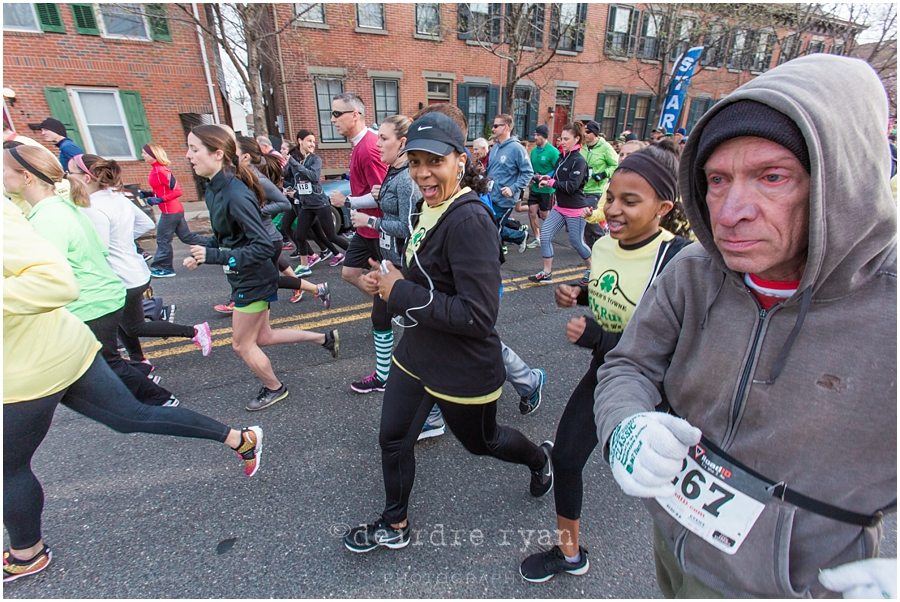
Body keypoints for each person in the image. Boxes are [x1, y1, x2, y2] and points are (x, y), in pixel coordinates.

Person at [592, 54, 896, 598]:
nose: (731, 212)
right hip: (674, 543)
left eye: (771, 177)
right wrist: (624, 426)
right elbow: (629, 363)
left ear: (841, 178)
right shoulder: (691, 271)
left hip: (797, 586)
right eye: (716, 180)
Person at [2, 197, 263, 584]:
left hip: (31, 365)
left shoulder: (35, 210)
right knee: (131, 417)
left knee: (9, 468)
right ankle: (239, 439)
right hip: (64, 345)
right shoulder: (33, 205)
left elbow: (55, 280)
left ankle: (27, 553)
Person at [342, 111, 553, 553]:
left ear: (460, 160)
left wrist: (398, 292)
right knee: (394, 438)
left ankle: (539, 457)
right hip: (418, 352)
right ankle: (394, 524)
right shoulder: (429, 205)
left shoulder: (468, 220)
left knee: (484, 442)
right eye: (415, 161)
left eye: (433, 161)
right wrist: (389, 280)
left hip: (463, 366)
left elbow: (477, 316)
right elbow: (432, 280)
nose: (422, 173)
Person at [519, 143, 691, 582]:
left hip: (665, 389)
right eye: (610, 197)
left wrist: (598, 335)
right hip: (609, 370)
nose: (612, 209)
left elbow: (673, 345)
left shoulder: (680, 261)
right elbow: (606, 283)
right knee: (569, 458)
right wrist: (579, 292)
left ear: (663, 207)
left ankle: (695, 567)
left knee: (658, 481)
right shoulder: (605, 245)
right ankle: (570, 553)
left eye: (630, 202)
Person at [5, 144, 178, 408]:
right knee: (115, 347)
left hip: (95, 297)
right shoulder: (70, 206)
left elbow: (57, 273)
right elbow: (107, 243)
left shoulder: (60, 213)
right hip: (110, 288)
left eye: (4, 170)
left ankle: (158, 395)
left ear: (27, 176)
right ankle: (143, 377)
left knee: (115, 349)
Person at [182, 125, 339, 412]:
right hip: (245, 274)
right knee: (263, 337)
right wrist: (204, 252)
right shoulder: (215, 189)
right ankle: (323, 338)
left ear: (218, 154)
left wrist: (214, 255)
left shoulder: (234, 194)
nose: (188, 156)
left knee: (242, 345)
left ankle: (275, 387)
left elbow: (263, 246)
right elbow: (225, 235)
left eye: (194, 149)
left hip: (252, 277)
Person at [67, 153, 214, 364]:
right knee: (124, 324)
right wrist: (123, 239)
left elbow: (99, 249)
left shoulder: (92, 209)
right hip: (135, 271)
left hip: (121, 277)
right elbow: (145, 224)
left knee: (132, 326)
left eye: (70, 172)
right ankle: (140, 360)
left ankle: (194, 331)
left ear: (86, 178)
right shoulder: (117, 197)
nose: (67, 177)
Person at [327, 92, 391, 394]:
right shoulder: (358, 146)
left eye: (337, 114)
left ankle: (384, 374)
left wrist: (348, 200)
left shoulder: (369, 147)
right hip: (364, 231)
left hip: (379, 232)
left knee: (379, 310)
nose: (332, 119)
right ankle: (393, 304)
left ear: (355, 114)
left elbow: (382, 194)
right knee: (349, 273)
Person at [236, 136, 331, 307]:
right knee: (274, 266)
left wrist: (258, 212)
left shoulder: (257, 178)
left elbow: (287, 198)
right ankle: (315, 286)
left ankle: (325, 262)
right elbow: (288, 178)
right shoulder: (241, 177)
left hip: (268, 234)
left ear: (245, 156)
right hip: (265, 233)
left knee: (262, 279)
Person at [528, 122, 592, 284]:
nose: (561, 141)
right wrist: (546, 178)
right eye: (561, 138)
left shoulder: (579, 161)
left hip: (576, 209)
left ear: (577, 139)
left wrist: (550, 183)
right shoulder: (563, 157)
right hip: (560, 207)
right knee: (545, 235)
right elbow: (557, 179)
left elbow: (571, 186)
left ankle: (592, 270)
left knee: (576, 242)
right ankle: (547, 272)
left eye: (566, 138)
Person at [142, 143, 209, 279]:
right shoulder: (156, 170)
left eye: (144, 153)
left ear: (153, 155)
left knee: (162, 240)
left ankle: (164, 268)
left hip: (170, 211)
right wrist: (148, 194)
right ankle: (218, 244)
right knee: (187, 237)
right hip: (173, 210)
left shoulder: (162, 171)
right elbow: (162, 190)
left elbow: (177, 191)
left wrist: (159, 200)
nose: (142, 155)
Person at [288, 129, 349, 277]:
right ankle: (304, 266)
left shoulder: (315, 160)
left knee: (331, 236)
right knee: (300, 235)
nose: (312, 144)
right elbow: (289, 176)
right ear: (300, 141)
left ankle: (358, 254)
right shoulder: (295, 159)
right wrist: (290, 188)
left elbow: (314, 177)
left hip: (320, 203)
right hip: (306, 205)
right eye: (309, 141)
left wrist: (295, 164)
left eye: (314, 142)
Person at [486, 113, 533, 252]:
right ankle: (519, 236)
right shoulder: (495, 148)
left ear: (506, 127)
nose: (493, 129)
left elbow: (528, 172)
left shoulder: (517, 149)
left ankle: (498, 256)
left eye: (496, 126)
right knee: (488, 226)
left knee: (493, 229)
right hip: (490, 196)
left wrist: (513, 189)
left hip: (505, 199)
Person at [581, 121, 619, 248]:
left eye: (587, 132)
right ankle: (591, 249)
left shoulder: (605, 147)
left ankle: (602, 241)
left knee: (590, 219)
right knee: (584, 221)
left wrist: (603, 174)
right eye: (584, 131)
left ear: (595, 134)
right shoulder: (583, 146)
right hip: (582, 188)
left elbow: (616, 165)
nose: (584, 134)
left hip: (597, 189)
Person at [527, 124, 560, 250]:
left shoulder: (553, 151)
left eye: (537, 135)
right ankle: (537, 238)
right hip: (535, 187)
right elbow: (531, 168)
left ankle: (547, 237)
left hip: (547, 189)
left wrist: (546, 177)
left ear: (544, 137)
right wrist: (533, 176)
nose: (535, 137)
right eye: (535, 134)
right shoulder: (534, 151)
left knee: (545, 215)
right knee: (531, 212)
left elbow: (558, 168)